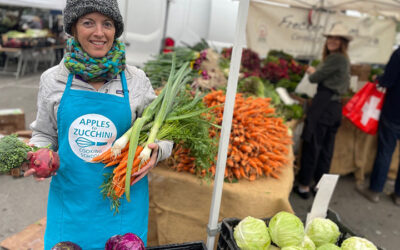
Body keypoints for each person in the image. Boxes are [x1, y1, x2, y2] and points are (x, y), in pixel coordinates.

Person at [23, 0, 173, 248]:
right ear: (73, 29)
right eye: (88, 23)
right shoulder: (53, 79)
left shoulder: (136, 80)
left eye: (108, 24)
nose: (99, 33)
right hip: (71, 206)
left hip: (123, 206)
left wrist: (158, 151)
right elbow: (43, 133)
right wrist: (37, 154)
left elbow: (165, 133)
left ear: (116, 31)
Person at [294, 23, 352, 199]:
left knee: (313, 145)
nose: (332, 41)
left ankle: (304, 185)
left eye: (337, 39)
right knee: (326, 149)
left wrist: (313, 71)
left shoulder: (336, 58)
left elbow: (315, 78)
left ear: (343, 43)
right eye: (330, 38)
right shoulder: (343, 59)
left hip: (324, 105)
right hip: (334, 107)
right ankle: (320, 186)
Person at [357, 48, 400, 206]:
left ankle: (374, 190)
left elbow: (388, 80)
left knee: (385, 151)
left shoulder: (399, 54)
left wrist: (377, 78)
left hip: (395, 112)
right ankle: (398, 196)